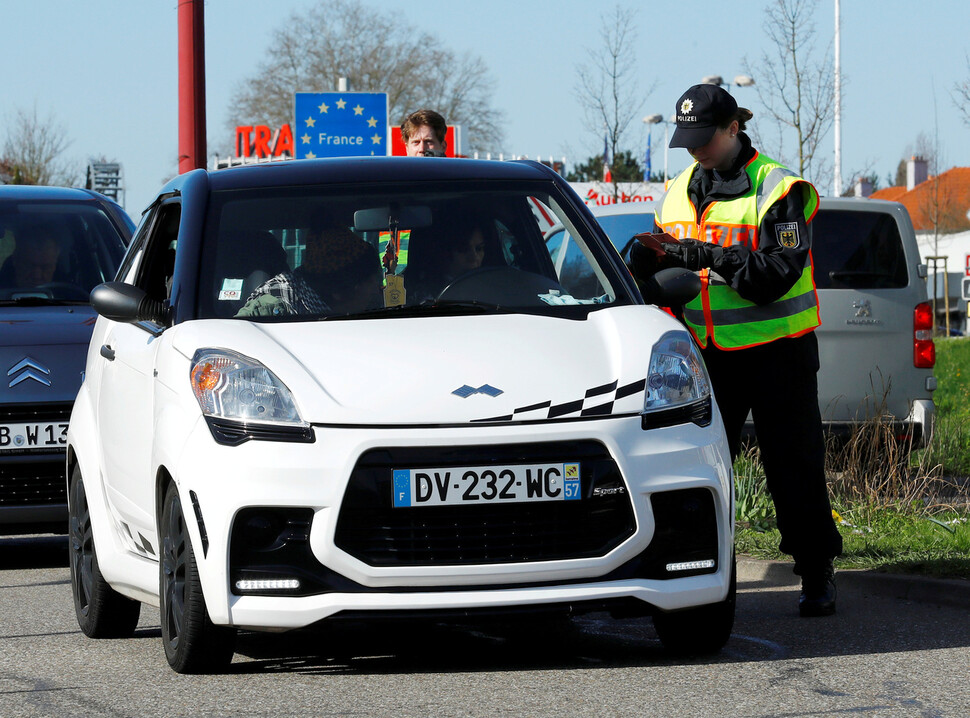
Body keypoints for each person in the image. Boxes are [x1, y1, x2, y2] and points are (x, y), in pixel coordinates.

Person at [630, 83, 843, 617]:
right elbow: (664, 266)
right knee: (690, 468)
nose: (696, 150)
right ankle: (690, 573)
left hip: (778, 353)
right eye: (687, 140)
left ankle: (816, 572)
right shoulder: (678, 188)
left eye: (705, 138)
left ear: (733, 129)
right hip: (706, 356)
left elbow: (773, 276)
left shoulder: (778, 189)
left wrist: (703, 253)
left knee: (793, 469)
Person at [236, 218, 381, 318]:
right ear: (339, 291)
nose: (377, 288)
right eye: (370, 282)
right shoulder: (273, 307)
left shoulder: (373, 309)